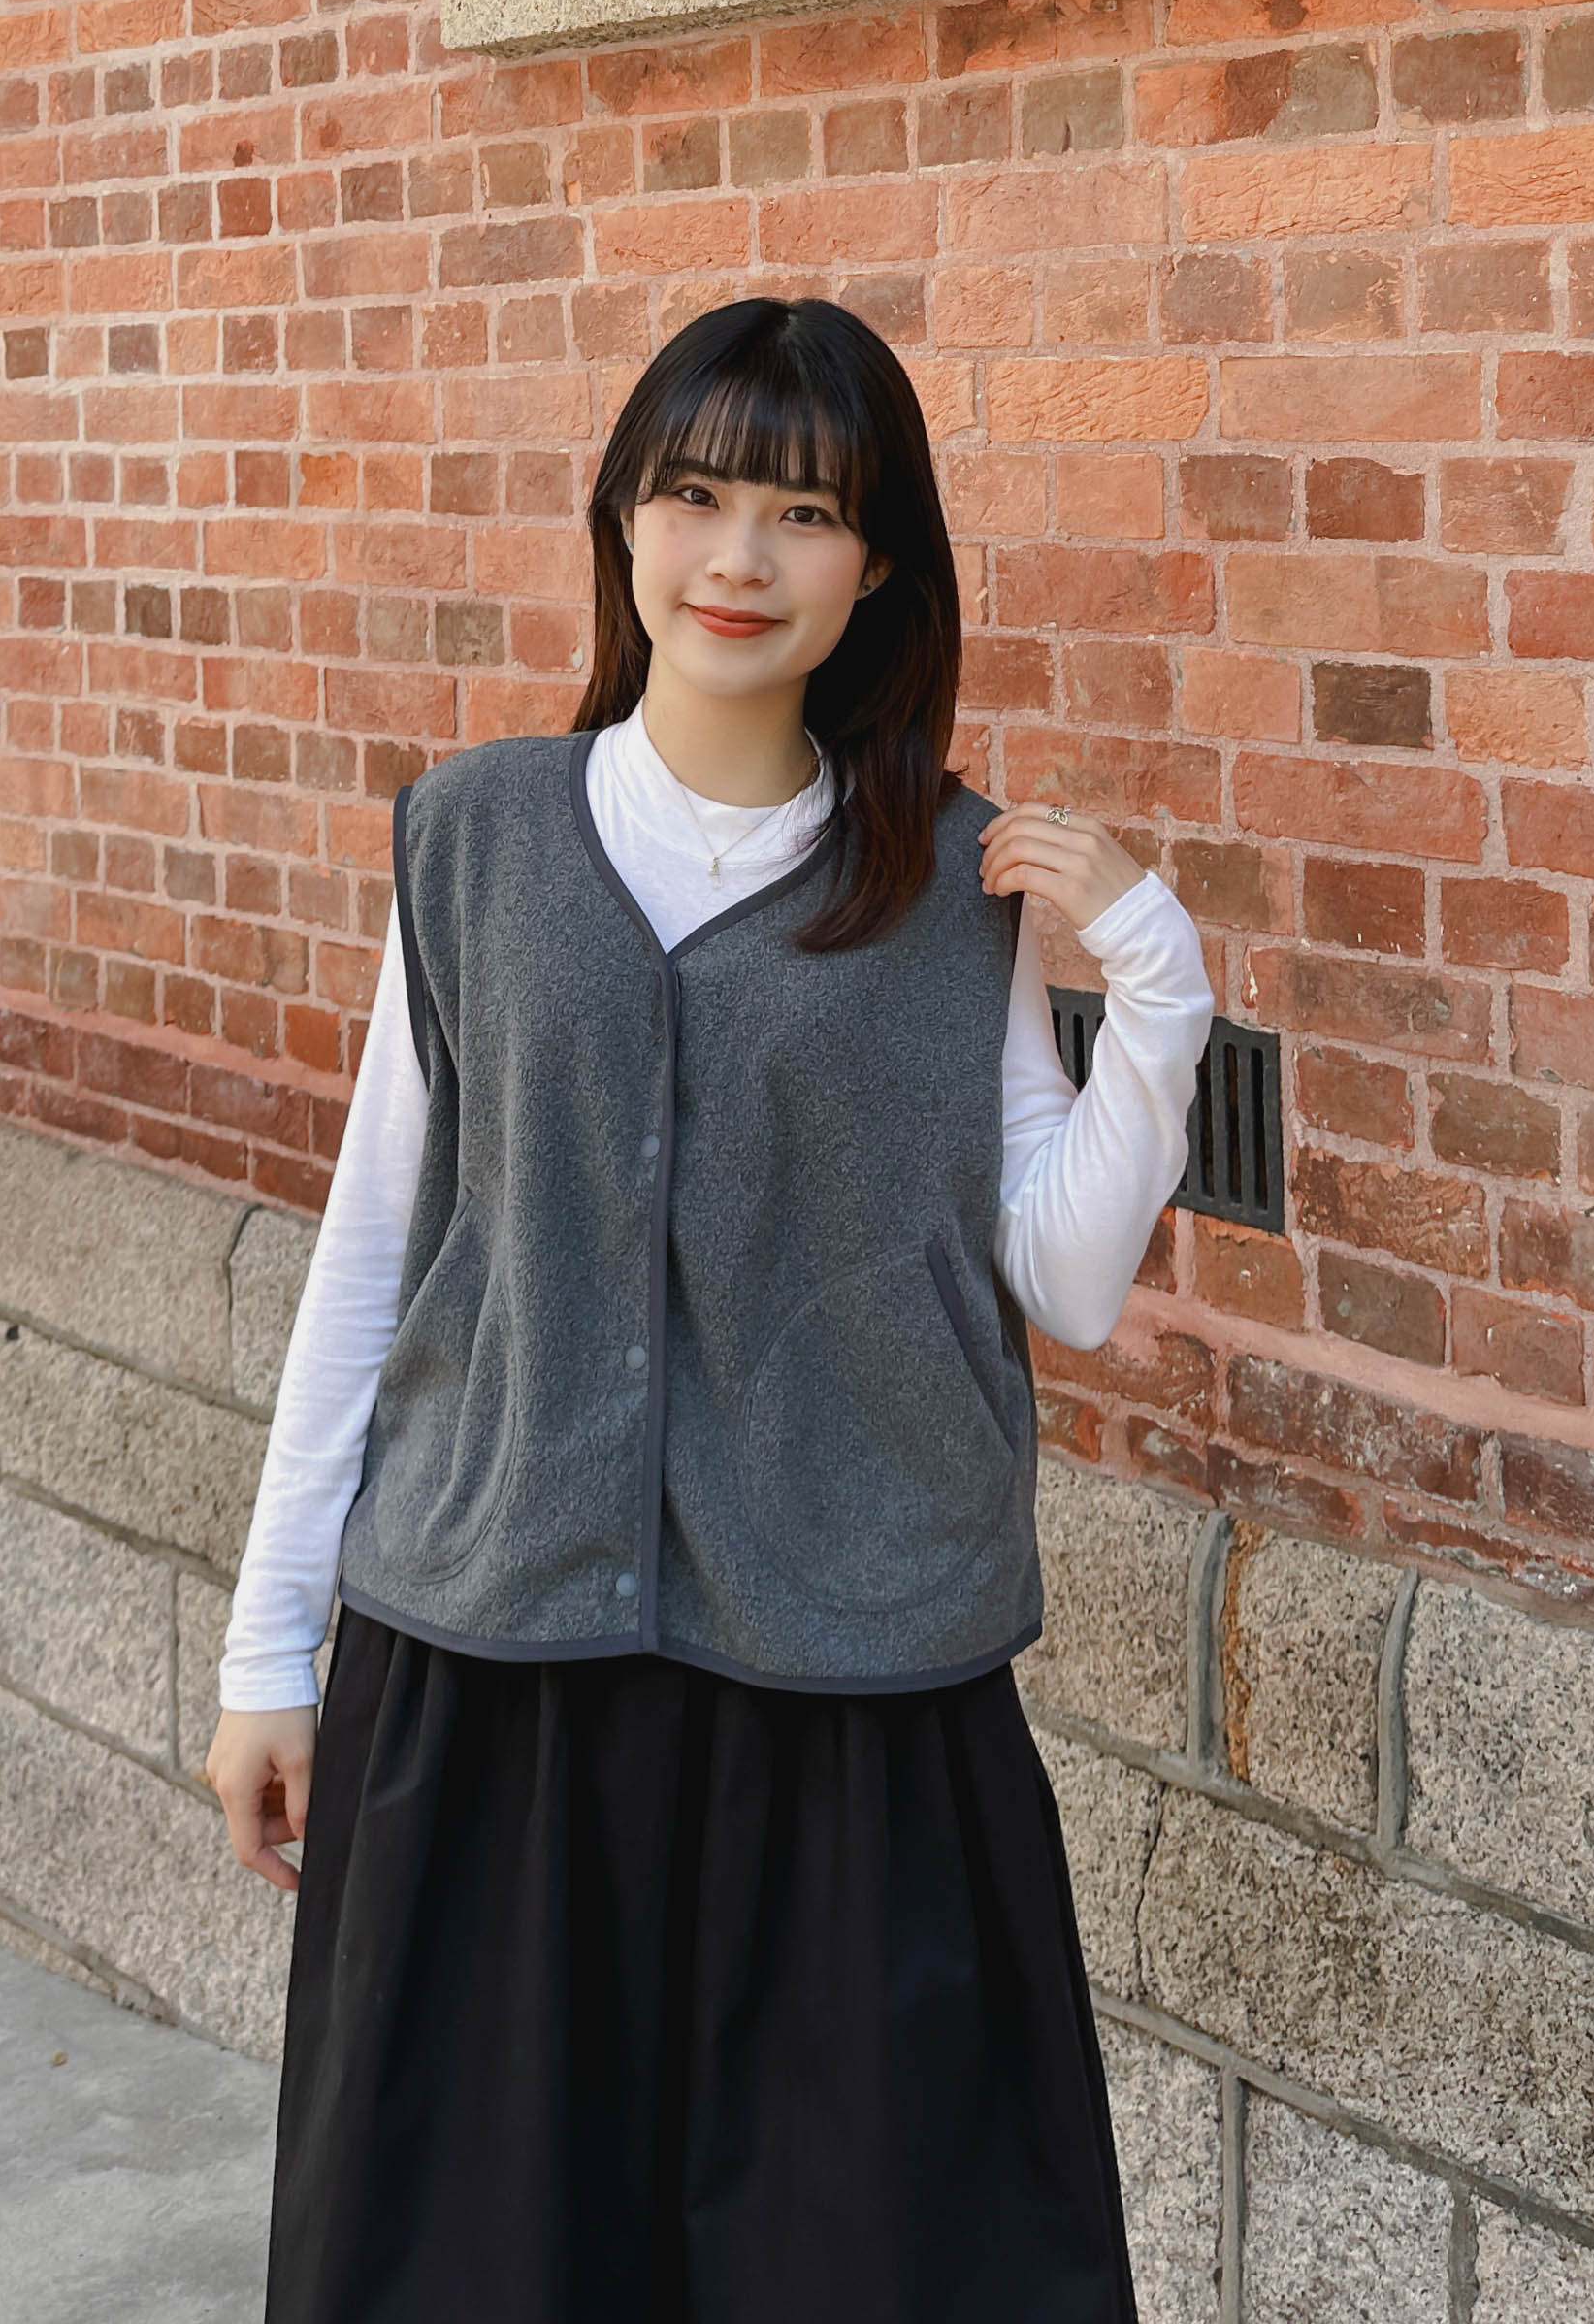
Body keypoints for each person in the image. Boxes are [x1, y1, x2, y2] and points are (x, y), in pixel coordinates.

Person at [207, 292, 1216, 2324]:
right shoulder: (477, 836)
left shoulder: (948, 882)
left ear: (879, 567)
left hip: (846, 1703)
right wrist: (268, 1649)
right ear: (621, 519)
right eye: (693, 494)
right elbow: (375, 1247)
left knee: (869, 2268)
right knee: (475, 2266)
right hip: (492, 1669)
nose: (739, 557)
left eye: (805, 512)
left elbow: (1065, 1278)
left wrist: (1158, 982)